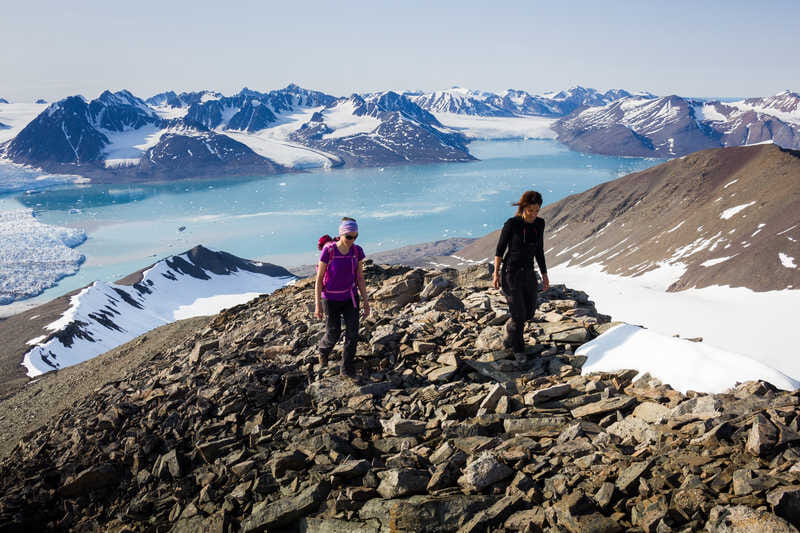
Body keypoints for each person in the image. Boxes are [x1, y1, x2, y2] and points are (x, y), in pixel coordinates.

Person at [493, 191, 550, 354]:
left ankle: (511, 329)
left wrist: (545, 275)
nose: (533, 214)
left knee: (529, 312)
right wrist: (495, 274)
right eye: (530, 210)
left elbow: (539, 250)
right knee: (519, 315)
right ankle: (519, 352)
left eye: (537, 210)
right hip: (511, 273)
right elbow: (499, 250)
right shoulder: (512, 224)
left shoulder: (540, 223)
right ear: (523, 208)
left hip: (529, 273)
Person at [315, 217, 371, 378]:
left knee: (353, 333)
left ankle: (346, 368)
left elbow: (360, 278)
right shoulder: (329, 251)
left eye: (355, 236)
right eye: (349, 237)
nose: (352, 240)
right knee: (333, 332)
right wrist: (318, 306)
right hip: (330, 300)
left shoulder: (357, 251)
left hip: (350, 297)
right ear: (341, 235)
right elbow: (319, 280)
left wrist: (366, 303)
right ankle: (323, 350)